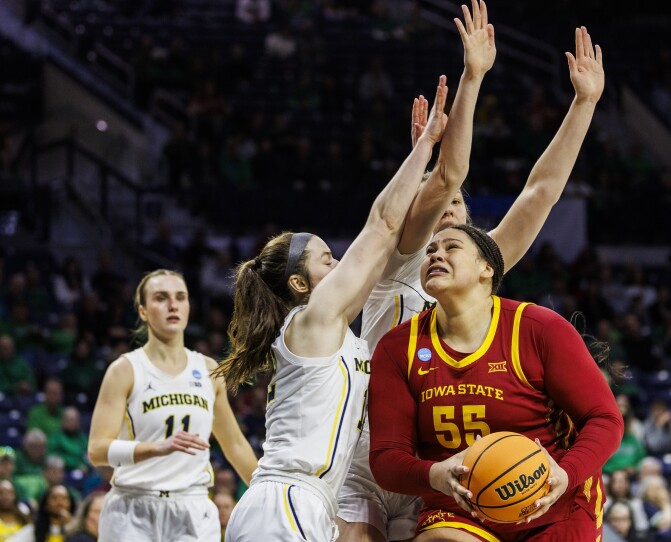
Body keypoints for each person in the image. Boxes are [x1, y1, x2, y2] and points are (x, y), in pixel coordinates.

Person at [343, 13, 607, 542]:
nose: (445, 213)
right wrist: (470, 80)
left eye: (456, 213)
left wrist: (583, 105)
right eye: (435, 208)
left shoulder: (481, 269)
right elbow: (447, 176)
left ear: (481, 256)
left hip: (459, 465)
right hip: (378, 453)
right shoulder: (401, 258)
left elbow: (540, 192)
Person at [215, 75, 450, 542]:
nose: (341, 263)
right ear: (300, 284)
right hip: (287, 500)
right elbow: (382, 225)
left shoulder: (329, 330)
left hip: (304, 503)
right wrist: (422, 149)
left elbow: (385, 247)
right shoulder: (311, 320)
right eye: (328, 259)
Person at [368, 223, 623, 540]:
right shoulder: (397, 348)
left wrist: (565, 474)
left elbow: (605, 418)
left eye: (451, 248)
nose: (435, 255)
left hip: (554, 503)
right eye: (430, 251)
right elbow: (386, 458)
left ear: (486, 268)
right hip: (461, 510)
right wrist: (434, 473)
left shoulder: (538, 328)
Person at [87, 270, 259, 541]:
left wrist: (268, 494)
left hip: (192, 507)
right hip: (132, 508)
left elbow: (235, 445)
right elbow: (97, 451)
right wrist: (155, 448)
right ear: (143, 311)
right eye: (161, 298)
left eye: (181, 297)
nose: (173, 305)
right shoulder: (125, 370)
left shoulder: (208, 369)